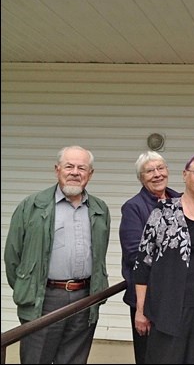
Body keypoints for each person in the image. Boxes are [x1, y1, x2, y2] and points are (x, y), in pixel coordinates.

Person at [4, 145, 111, 364]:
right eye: (69, 166)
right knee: (37, 358)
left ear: (90, 174)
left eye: (82, 168)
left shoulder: (99, 209)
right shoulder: (32, 206)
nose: (75, 172)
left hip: (85, 298)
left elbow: (100, 254)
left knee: (74, 359)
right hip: (44, 299)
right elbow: (12, 257)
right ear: (57, 169)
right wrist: (30, 288)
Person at [133, 153, 194, 364]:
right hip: (167, 310)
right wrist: (141, 311)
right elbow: (143, 264)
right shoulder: (162, 212)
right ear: (185, 175)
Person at [119, 151, 181, 364]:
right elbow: (134, 255)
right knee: (150, 357)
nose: (157, 174)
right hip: (148, 299)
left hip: (179, 298)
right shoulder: (133, 208)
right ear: (141, 177)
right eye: (149, 171)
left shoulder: (182, 201)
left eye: (160, 168)